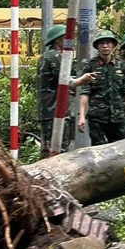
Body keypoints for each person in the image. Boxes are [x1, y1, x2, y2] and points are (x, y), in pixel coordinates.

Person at [37, 25, 96, 157]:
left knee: (50, 148)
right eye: (67, 38)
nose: (71, 41)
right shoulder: (54, 56)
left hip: (50, 110)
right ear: (58, 40)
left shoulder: (46, 56)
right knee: (56, 150)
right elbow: (65, 82)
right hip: (55, 111)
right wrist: (83, 79)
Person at [78, 30, 125, 145]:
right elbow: (85, 92)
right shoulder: (91, 65)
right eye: (101, 43)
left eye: (108, 43)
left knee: (123, 147)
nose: (105, 46)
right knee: (98, 150)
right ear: (97, 47)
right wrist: (81, 116)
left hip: (118, 116)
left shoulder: (121, 64)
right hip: (97, 117)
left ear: (114, 46)